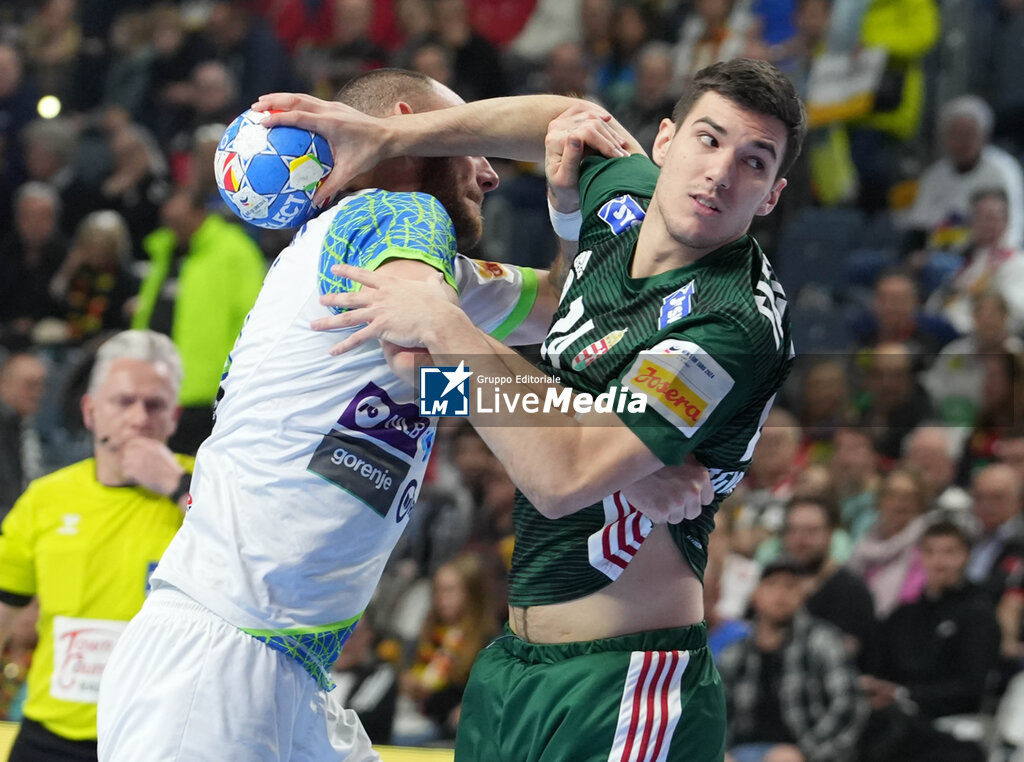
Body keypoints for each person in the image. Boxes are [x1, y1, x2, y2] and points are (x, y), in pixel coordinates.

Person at [98, 69, 709, 762]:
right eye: (470, 143)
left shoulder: (401, 260)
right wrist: (613, 465)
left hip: (282, 665)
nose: (488, 174)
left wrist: (568, 213)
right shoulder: (393, 216)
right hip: (216, 664)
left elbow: (567, 303)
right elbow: (418, 365)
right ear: (410, 126)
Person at [308, 57, 805, 760]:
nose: (722, 172)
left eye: (754, 162)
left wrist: (448, 330)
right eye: (709, 139)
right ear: (662, 143)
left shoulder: (731, 325)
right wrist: (386, 138)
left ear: (771, 195)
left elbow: (564, 477)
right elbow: (563, 119)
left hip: (629, 682)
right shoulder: (626, 202)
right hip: (512, 668)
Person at [0, 330, 192, 762]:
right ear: (90, 411)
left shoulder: (209, 490)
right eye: (123, 401)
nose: (139, 418)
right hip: (52, 734)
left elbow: (253, 553)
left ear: (175, 416)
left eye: (156, 404)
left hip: (163, 739)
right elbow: (5, 610)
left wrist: (176, 485)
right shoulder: (46, 499)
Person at [859, 520, 999, 762]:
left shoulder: (978, 614)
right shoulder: (903, 614)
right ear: (920, 557)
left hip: (948, 723)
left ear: (965, 556)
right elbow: (877, 664)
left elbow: (971, 686)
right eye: (930, 551)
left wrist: (905, 694)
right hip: (893, 716)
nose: (939, 560)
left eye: (949, 552)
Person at [718, 558, 867, 762]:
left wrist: (806, 753)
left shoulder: (823, 641)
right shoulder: (734, 653)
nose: (781, 594)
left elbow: (849, 707)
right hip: (741, 752)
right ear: (755, 594)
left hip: (804, 752)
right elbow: (717, 716)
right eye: (772, 584)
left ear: (803, 595)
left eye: (791, 586)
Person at [0, 351, 48, 520]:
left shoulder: (26, 424)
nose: (37, 393)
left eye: (41, 385)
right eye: (29, 384)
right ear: (4, 384)